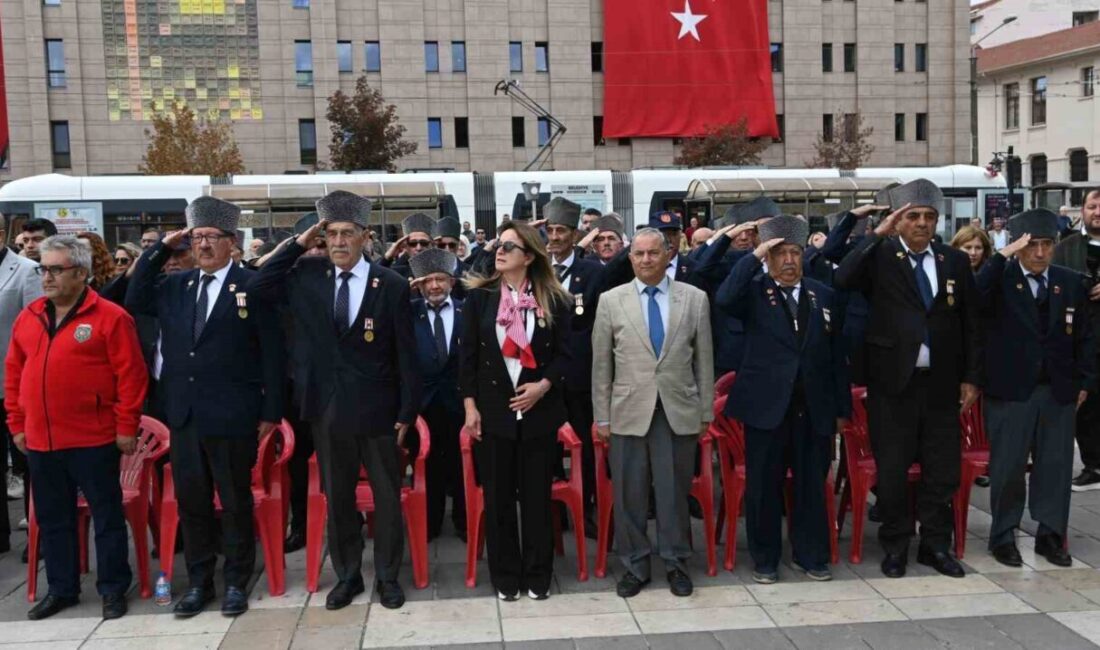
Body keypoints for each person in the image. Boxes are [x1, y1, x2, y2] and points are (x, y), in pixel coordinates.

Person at [251, 191, 419, 610]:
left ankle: (387, 576)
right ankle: (348, 575)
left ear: (365, 236)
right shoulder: (307, 275)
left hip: (378, 409)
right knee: (339, 497)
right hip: (325, 407)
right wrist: (297, 244)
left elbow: (407, 354)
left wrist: (407, 412)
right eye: (331, 234)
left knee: (386, 497)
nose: (339, 242)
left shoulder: (391, 284)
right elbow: (258, 286)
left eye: (347, 233)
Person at [126, 197, 284, 618]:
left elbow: (272, 352)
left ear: (232, 242)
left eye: (212, 237)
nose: (204, 245)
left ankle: (235, 581)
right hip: (185, 415)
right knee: (192, 503)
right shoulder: (176, 286)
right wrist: (162, 247)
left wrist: (271, 411)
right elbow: (135, 295)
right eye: (197, 238)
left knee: (234, 502)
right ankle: (199, 581)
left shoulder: (251, 285)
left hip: (233, 413)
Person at [834, 179, 982, 579]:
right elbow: (842, 279)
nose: (921, 223)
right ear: (898, 220)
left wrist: (971, 377)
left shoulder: (953, 260)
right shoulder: (880, 256)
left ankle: (935, 546)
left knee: (942, 470)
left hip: (942, 384)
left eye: (929, 216)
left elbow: (971, 322)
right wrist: (876, 235)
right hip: (892, 384)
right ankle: (896, 545)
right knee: (894, 470)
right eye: (912, 216)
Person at [6, 235, 147, 620]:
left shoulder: (111, 317)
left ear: (81, 273)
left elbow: (131, 376)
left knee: (106, 517)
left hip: (94, 437)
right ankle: (62, 588)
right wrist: (17, 423)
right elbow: (14, 373)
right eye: (43, 269)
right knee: (54, 519)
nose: (47, 277)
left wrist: (126, 426)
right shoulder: (30, 316)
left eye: (56, 269)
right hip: (41, 439)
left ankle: (113, 587)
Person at [718, 216, 849, 583]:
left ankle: (811, 555)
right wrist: (755, 254)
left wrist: (841, 409)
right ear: (768, 257)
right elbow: (724, 298)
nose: (789, 260)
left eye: (795, 252)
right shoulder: (754, 291)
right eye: (780, 253)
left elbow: (837, 355)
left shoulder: (821, 294)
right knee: (764, 486)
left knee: (812, 484)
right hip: (767, 407)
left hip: (814, 408)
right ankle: (765, 558)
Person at [592, 227, 713, 598]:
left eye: (653, 253)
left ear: (668, 254)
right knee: (630, 494)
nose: (646, 259)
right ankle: (634, 565)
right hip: (627, 411)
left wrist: (705, 411)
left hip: (677, 410)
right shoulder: (611, 301)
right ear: (630, 258)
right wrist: (602, 416)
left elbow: (704, 360)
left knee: (674, 492)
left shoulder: (694, 299)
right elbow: (601, 365)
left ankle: (676, 562)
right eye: (639, 253)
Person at [460, 220, 572, 602]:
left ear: (529, 256)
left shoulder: (554, 299)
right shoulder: (480, 299)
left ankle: (538, 574)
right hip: (494, 413)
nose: (500, 251)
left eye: (509, 246)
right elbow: (467, 358)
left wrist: (543, 386)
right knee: (499, 500)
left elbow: (568, 356)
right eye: (499, 245)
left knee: (538, 499)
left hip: (539, 414)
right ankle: (505, 576)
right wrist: (470, 406)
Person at [978, 209, 1094, 568]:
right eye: (1032, 246)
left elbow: (1087, 336)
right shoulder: (999, 279)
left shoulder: (1071, 282)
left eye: (1047, 244)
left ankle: (1050, 535)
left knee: (1055, 467)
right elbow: (974, 295)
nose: (1040, 253)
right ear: (1017, 247)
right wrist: (1002, 256)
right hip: (1011, 391)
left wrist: (1085, 381)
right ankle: (1003, 535)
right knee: (1008, 466)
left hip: (1058, 390)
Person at [545, 197, 605, 534]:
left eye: (561, 231)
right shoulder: (536, 269)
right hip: (544, 378)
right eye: (550, 230)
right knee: (548, 447)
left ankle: (587, 507)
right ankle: (554, 512)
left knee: (583, 444)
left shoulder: (592, 272)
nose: (555, 237)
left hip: (580, 375)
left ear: (574, 234)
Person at [408, 247, 466, 540]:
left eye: (440, 279)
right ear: (419, 284)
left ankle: (464, 521)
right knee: (427, 466)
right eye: (428, 280)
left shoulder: (467, 311)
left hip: (460, 403)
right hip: (423, 406)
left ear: (451, 282)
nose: (434, 286)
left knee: (462, 464)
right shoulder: (408, 313)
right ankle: (429, 523)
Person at [0, 216, 43, 557]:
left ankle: (38, 535)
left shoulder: (26, 271)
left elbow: (36, 329)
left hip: (15, 384)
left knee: (28, 462)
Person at [1053, 190, 1100, 491]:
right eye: (1092, 206)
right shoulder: (1065, 247)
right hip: (1080, 337)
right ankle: (1093, 466)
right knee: (1086, 403)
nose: (1098, 212)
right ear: (1081, 210)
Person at [383, 213, 437, 278]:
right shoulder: (396, 271)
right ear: (406, 246)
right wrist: (387, 258)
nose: (419, 248)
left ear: (432, 245)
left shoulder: (441, 269)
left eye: (424, 243)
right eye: (412, 243)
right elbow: (375, 278)